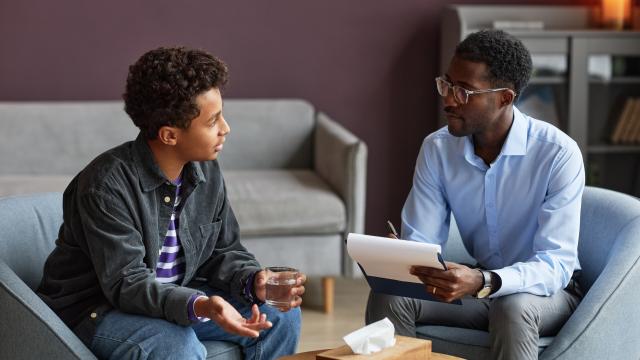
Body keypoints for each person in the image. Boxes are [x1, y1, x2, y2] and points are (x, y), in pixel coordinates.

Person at [36, 46, 304, 360]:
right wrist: (201, 305)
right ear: (169, 135)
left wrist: (252, 282)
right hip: (99, 309)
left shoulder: (205, 169)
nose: (225, 129)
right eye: (212, 121)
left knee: (280, 316)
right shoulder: (104, 185)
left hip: (175, 296)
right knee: (176, 347)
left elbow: (223, 250)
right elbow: (127, 285)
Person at [366, 30, 585, 359]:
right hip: (478, 288)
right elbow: (421, 242)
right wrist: (404, 259)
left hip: (546, 293)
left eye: (465, 91)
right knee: (390, 295)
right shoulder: (437, 149)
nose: (449, 100)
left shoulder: (557, 154)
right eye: (447, 84)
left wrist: (485, 280)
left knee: (512, 306)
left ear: (505, 98)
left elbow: (555, 265)